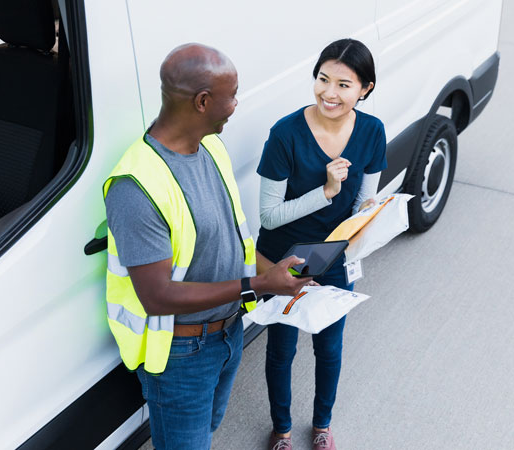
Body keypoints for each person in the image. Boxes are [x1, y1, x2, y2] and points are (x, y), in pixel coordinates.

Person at [103, 43, 311, 450]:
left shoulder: (211, 147)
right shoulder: (135, 186)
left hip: (228, 334)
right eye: (231, 95)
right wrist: (259, 284)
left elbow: (234, 243)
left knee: (206, 433)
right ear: (202, 101)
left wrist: (280, 273)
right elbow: (157, 296)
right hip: (183, 353)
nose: (236, 104)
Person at [256, 39, 387, 450]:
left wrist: (362, 226)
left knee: (329, 346)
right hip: (284, 258)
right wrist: (327, 192)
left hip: (333, 254)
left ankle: (322, 425)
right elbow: (268, 215)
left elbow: (366, 200)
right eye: (323, 79)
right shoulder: (286, 134)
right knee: (282, 349)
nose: (329, 93)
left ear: (364, 88)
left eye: (344, 85)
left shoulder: (372, 131)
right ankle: (281, 431)